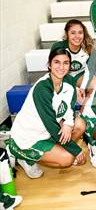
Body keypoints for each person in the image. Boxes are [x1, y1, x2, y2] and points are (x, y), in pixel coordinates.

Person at [8, 48, 86, 179]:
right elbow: (51, 125)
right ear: (49, 64)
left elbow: (69, 110)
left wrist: (67, 123)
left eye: (66, 63)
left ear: (70, 66)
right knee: (68, 159)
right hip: (28, 138)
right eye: (57, 62)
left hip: (46, 132)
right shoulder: (43, 88)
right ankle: (24, 157)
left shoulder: (68, 84)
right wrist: (76, 150)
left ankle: (53, 150)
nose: (61, 67)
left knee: (79, 124)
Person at [51, 19, 96, 106]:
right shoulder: (59, 47)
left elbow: (89, 71)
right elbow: (54, 71)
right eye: (73, 33)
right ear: (67, 34)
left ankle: (85, 112)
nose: (77, 36)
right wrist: (74, 88)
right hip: (62, 77)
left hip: (80, 75)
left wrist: (83, 88)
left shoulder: (88, 47)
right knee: (70, 93)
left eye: (80, 32)